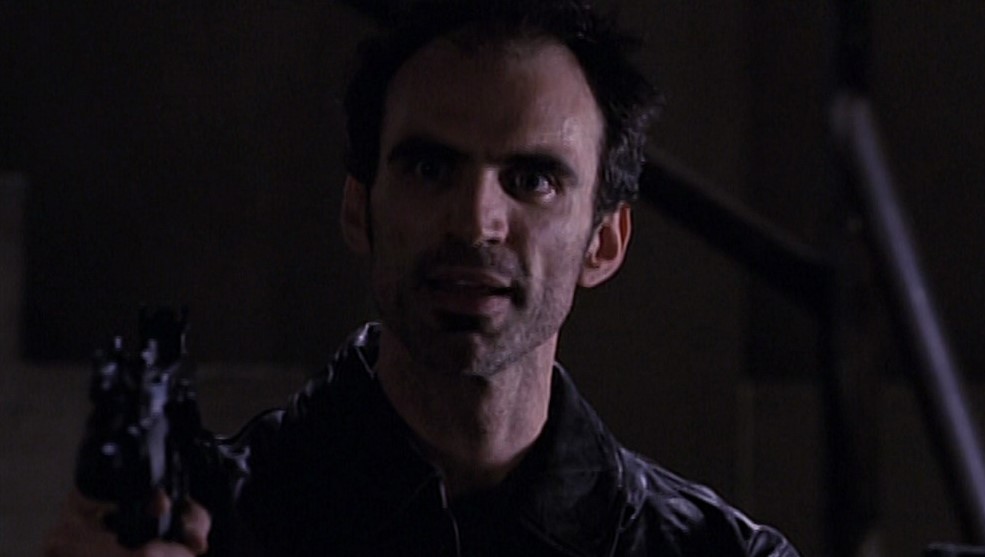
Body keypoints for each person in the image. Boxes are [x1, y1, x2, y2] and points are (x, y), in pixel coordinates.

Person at [46, 1, 801, 555]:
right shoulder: (207, 525)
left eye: (532, 179)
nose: (475, 223)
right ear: (358, 209)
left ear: (604, 241)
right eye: (430, 168)